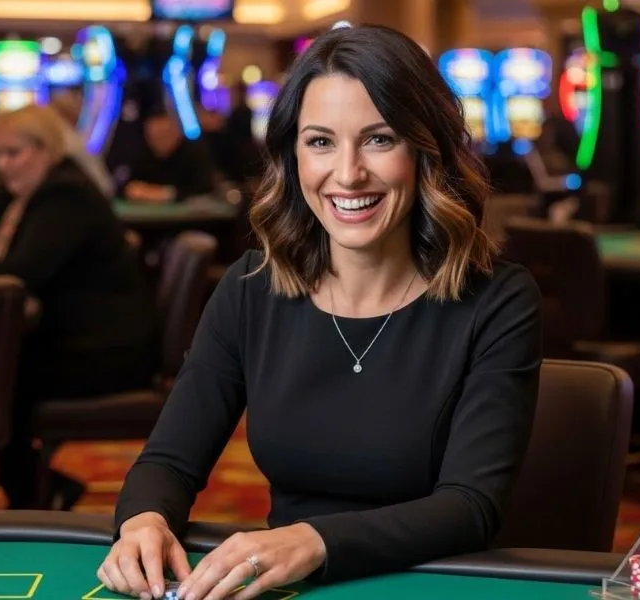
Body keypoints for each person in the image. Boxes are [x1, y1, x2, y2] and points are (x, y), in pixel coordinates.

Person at [100, 25, 541, 600]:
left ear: (426, 150)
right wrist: (144, 520)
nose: (349, 173)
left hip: (432, 584)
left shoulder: (498, 302)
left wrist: (312, 542)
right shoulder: (251, 289)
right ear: (292, 156)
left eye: (380, 139)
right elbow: (169, 461)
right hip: (289, 587)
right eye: (320, 141)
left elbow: (470, 506)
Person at [0, 104, 158, 509]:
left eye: (14, 153)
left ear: (46, 150)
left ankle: (27, 497)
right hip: (63, 339)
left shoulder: (65, 193)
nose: (4, 165)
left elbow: (21, 273)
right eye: (0, 154)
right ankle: (25, 489)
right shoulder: (21, 196)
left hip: (108, 350)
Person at [123, 108, 216, 204]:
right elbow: (125, 185)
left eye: (165, 135)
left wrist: (165, 194)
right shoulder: (139, 153)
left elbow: (203, 190)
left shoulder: (195, 153)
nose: (160, 142)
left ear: (178, 132)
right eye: (155, 137)